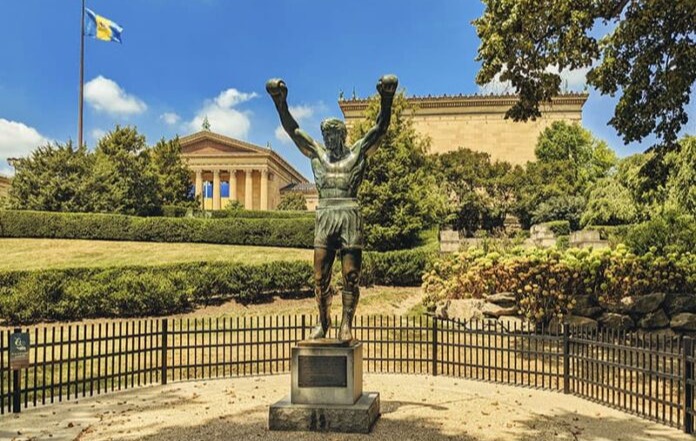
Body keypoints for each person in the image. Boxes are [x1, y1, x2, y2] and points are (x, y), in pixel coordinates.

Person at [267, 74, 398, 341]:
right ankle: (324, 320)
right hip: (326, 214)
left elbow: (379, 129)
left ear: (341, 135)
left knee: (351, 275)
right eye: (324, 134)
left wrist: (386, 98)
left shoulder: (357, 153)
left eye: (331, 134)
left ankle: (346, 324)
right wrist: (280, 102)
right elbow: (293, 131)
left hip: (349, 214)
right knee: (319, 277)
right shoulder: (317, 153)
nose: (327, 139)